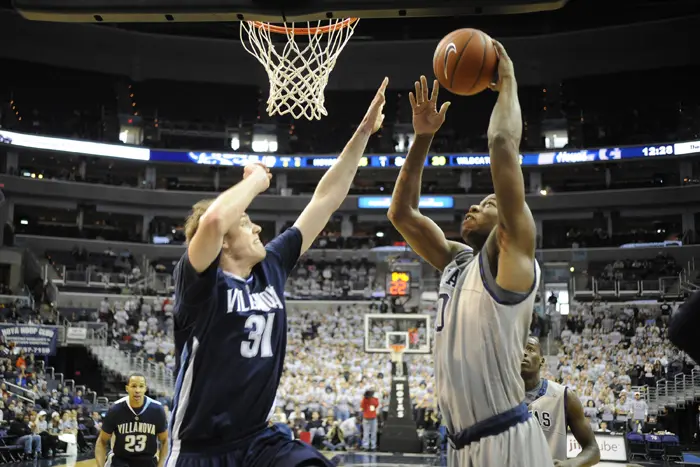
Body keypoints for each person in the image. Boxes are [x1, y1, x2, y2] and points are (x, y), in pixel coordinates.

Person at [166, 79, 387, 467]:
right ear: (222, 244)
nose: (258, 230)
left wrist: (363, 134)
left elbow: (325, 199)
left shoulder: (270, 264)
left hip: (258, 441)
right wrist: (255, 179)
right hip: (201, 450)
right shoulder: (199, 284)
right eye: (247, 223)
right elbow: (216, 218)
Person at [388, 41, 553, 466]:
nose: (475, 206)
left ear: (510, 220)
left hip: (506, 439)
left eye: (489, 203)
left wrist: (508, 82)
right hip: (458, 443)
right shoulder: (458, 261)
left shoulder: (511, 255)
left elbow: (501, 143)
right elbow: (401, 213)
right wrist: (422, 138)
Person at [522, 336, 600, 466]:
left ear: (542, 361)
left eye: (530, 349)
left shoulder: (564, 396)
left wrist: (571, 464)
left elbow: (593, 449)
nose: (523, 353)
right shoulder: (496, 397)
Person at [95, 373, 168, 467]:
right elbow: (101, 441)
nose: (137, 390)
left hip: (148, 462)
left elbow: (165, 440)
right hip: (120, 462)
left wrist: (161, 465)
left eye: (141, 386)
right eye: (133, 386)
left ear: (145, 389)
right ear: (127, 388)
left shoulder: (157, 410)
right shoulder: (115, 409)